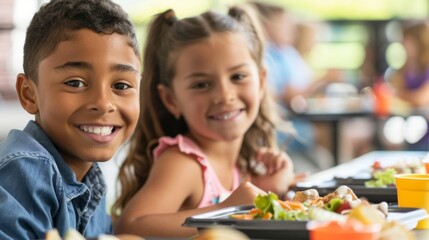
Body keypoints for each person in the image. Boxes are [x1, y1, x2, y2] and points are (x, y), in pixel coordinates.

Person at [113, 7, 298, 238]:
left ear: (261, 82)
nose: (224, 95)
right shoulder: (184, 162)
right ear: (171, 100)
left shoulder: (241, 164)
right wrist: (227, 211)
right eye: (202, 84)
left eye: (238, 77)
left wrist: (267, 190)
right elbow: (130, 226)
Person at [0, 0, 141, 239]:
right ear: (29, 94)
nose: (104, 103)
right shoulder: (26, 169)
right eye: (75, 83)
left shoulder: (89, 176)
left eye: (121, 85)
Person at [248, 1, 338, 171]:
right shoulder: (266, 55)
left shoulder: (283, 53)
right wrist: (322, 79)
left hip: (287, 119)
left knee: (327, 140)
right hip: (278, 124)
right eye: (284, 24)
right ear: (268, 25)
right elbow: (288, 95)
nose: (291, 30)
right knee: (324, 136)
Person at [389, 21, 429, 150]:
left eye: (407, 41)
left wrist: (397, 93)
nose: (404, 46)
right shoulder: (405, 69)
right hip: (406, 125)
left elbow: (421, 99)